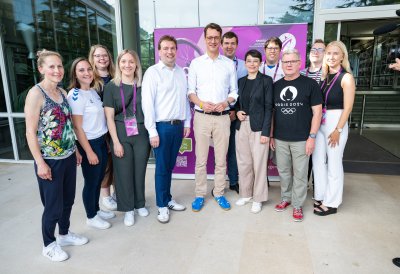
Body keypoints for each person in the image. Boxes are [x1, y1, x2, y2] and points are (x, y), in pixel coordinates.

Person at [24, 50, 88, 262]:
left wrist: (76, 150)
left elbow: (67, 125)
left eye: (59, 66)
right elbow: (30, 132)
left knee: (68, 201)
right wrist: (40, 163)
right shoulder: (36, 94)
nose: (57, 70)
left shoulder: (61, 92)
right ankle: (49, 244)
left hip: (68, 156)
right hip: (49, 160)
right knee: (53, 206)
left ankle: (64, 234)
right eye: (51, 66)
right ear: (41, 68)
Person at [188, 23, 238, 211]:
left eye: (216, 37)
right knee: (200, 160)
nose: (213, 41)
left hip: (223, 117)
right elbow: (191, 92)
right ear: (205, 38)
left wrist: (226, 103)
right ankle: (200, 194)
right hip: (201, 117)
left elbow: (234, 91)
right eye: (209, 37)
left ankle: (218, 193)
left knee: (221, 160)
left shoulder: (228, 64)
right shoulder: (196, 63)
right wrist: (201, 104)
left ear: (220, 38)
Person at [142, 35, 191, 223]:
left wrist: (187, 123)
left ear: (176, 50)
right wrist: (152, 131)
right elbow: (148, 104)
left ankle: (168, 198)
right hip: (161, 128)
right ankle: (162, 206)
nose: (169, 52)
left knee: (170, 166)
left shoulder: (180, 72)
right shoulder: (152, 73)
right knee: (162, 168)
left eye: (172, 48)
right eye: (165, 48)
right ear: (159, 51)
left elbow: (184, 100)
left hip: (178, 127)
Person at [271, 48, 322, 222]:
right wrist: (271, 136)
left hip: (302, 139)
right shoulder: (276, 86)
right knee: (284, 171)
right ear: (281, 64)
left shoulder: (310, 85)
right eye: (286, 62)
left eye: (293, 61)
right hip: (280, 138)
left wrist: (312, 137)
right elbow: (272, 113)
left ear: (299, 63)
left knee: (300, 174)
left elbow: (317, 113)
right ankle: (285, 198)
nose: (289, 64)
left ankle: (297, 205)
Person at [103, 49, 151, 226]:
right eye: (123, 62)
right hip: (121, 132)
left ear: (136, 64)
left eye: (131, 61)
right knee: (123, 172)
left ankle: (139, 204)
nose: (127, 65)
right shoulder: (111, 87)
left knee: (139, 170)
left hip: (141, 132)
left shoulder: (144, 85)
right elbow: (108, 117)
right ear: (118, 64)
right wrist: (115, 141)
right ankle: (128, 209)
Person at [67, 57, 114, 229]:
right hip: (89, 144)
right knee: (92, 181)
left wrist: (105, 141)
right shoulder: (75, 95)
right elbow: (78, 128)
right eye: (81, 70)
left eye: (88, 69)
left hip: (101, 141)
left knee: (99, 178)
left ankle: (96, 209)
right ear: (75, 74)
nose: (86, 73)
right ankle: (91, 216)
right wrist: (89, 152)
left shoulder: (93, 91)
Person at [312, 41, 356, 216]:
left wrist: (338, 129)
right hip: (321, 121)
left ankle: (332, 202)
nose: (331, 56)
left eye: (335, 53)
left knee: (334, 163)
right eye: (328, 53)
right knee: (318, 161)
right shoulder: (324, 77)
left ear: (342, 56)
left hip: (336, 122)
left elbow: (348, 108)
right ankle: (321, 195)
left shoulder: (346, 78)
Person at [235, 49, 273, 213]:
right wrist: (237, 112)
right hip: (242, 125)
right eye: (249, 61)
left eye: (255, 61)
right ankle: (246, 194)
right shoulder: (240, 81)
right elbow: (237, 103)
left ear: (260, 63)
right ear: (245, 63)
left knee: (259, 164)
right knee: (244, 163)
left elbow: (269, 107)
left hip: (258, 127)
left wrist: (266, 132)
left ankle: (258, 198)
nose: (252, 64)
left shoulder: (266, 80)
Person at [88, 45, 117, 211]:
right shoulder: (90, 78)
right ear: (93, 58)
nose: (102, 59)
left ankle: (115, 192)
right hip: (99, 129)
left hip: (115, 125)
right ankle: (105, 196)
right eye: (98, 56)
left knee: (116, 162)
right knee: (105, 164)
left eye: (105, 55)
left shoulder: (115, 76)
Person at [221, 31, 247, 194]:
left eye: (232, 43)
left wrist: (235, 110)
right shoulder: (217, 64)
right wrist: (226, 110)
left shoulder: (245, 65)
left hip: (240, 114)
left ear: (237, 46)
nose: (229, 46)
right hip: (221, 113)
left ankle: (235, 181)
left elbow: (246, 91)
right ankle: (222, 183)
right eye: (226, 43)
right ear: (222, 45)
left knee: (236, 149)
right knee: (222, 149)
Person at [300, 39, 326, 193]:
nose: (316, 52)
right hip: (304, 121)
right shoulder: (302, 73)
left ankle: (319, 188)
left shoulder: (328, 74)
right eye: (313, 49)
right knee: (306, 155)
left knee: (321, 157)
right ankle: (303, 187)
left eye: (320, 49)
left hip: (323, 121)